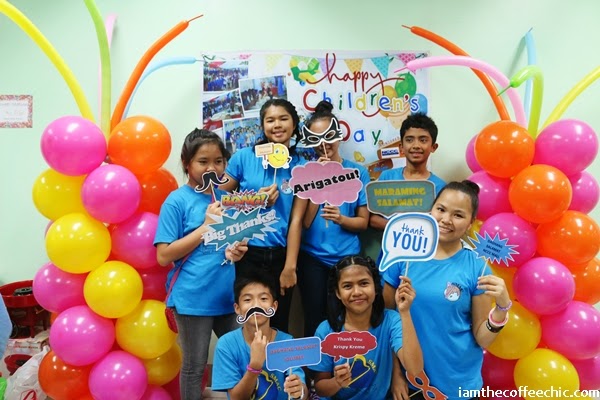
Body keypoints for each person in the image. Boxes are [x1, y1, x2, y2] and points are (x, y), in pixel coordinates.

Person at [382, 181, 511, 400]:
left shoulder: (477, 267)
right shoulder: (403, 257)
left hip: (460, 383)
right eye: (441, 209)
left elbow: (482, 339)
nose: (446, 220)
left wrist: (502, 308)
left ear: (470, 223)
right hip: (412, 382)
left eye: (458, 215)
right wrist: (395, 374)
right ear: (430, 210)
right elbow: (386, 322)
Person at [154, 128, 249, 400]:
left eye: (218, 161)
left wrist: (236, 251)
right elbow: (164, 255)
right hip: (193, 298)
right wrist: (206, 226)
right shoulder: (177, 201)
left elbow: (227, 245)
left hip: (227, 296)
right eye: (203, 161)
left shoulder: (226, 199)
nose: (212, 168)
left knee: (243, 357)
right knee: (195, 367)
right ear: (187, 163)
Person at [220, 98, 307, 333]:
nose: (277, 125)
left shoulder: (302, 166)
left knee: (278, 322)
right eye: (270, 120)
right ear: (262, 125)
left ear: (294, 124)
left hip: (280, 255)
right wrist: (254, 200)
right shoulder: (243, 158)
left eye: (283, 119)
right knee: (250, 324)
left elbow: (297, 221)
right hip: (247, 253)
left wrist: (290, 267)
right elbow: (218, 199)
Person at [294, 100, 371, 338]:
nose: (323, 144)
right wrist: (319, 180)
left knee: (346, 319)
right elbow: (305, 223)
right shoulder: (306, 172)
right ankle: (317, 363)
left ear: (338, 135)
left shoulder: (358, 172)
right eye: (316, 139)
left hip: (347, 259)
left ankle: (345, 360)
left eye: (328, 136)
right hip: (313, 259)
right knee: (314, 320)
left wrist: (341, 219)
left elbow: (363, 223)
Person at [309, 255, 424, 399]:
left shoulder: (391, 321)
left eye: (364, 283)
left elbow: (414, 369)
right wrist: (336, 382)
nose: (357, 292)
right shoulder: (325, 331)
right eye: (347, 286)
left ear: (375, 288)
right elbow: (320, 388)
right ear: (338, 293)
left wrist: (405, 312)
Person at [212, 271, 309, 400]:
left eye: (263, 299)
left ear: (274, 306)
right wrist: (254, 366)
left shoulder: (286, 342)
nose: (256, 305)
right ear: (237, 308)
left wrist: (299, 392)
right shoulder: (226, 344)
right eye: (247, 300)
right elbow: (236, 398)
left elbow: (303, 392)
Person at [370, 113, 446, 231]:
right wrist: (402, 230)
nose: (416, 145)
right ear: (401, 147)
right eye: (409, 140)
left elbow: (440, 224)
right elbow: (372, 219)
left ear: (433, 147)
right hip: (389, 242)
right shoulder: (387, 177)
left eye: (423, 140)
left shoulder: (440, 187)